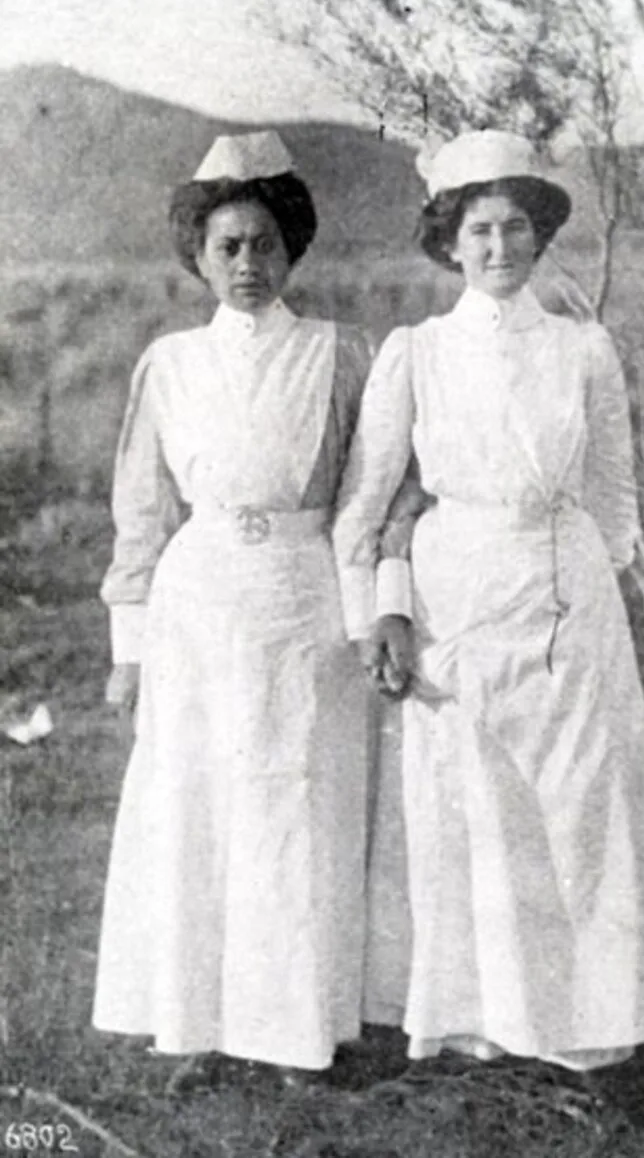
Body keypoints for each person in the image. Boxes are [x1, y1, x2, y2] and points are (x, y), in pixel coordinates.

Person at [333, 130, 644, 1071]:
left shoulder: (584, 347)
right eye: (480, 230)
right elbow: (365, 506)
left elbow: (613, 490)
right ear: (450, 242)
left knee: (582, 799)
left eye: (517, 227)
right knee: (479, 803)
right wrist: (377, 611)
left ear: (540, 237)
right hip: (458, 594)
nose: (500, 247)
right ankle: (487, 1016)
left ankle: (593, 1015)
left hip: (569, 594)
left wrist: (590, 577)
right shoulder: (417, 352)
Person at [94, 131, 411, 1090]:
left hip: (305, 601)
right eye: (227, 246)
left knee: (296, 805)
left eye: (264, 244)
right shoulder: (169, 364)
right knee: (199, 804)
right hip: (197, 606)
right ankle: (197, 1024)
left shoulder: (342, 354)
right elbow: (142, 511)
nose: (247, 264)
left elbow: (375, 496)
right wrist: (129, 649)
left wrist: (372, 612)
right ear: (198, 256)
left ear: (291, 249)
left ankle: (297, 1030)